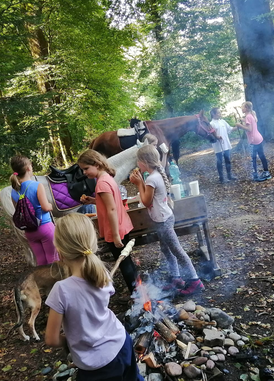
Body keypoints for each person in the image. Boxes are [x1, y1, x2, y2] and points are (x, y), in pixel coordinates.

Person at [44, 213, 144, 381]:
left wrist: (69, 340)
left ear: (60, 252)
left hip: (96, 367)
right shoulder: (101, 273)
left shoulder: (61, 290)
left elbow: (51, 339)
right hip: (121, 343)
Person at [129, 144, 205, 296]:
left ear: (144, 162)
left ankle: (195, 281)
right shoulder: (158, 172)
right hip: (165, 217)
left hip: (163, 221)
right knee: (166, 249)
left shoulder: (151, 179)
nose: (137, 164)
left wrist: (139, 184)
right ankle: (176, 278)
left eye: (138, 161)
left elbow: (146, 202)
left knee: (177, 250)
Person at [77, 149, 138, 295]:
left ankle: (136, 294)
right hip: (122, 225)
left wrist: (115, 235)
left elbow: (111, 209)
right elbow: (107, 203)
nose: (84, 172)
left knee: (124, 263)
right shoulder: (107, 178)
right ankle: (138, 291)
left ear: (97, 164)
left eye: (86, 168)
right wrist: (93, 201)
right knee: (126, 260)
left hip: (115, 229)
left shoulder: (101, 184)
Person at [10, 155, 59, 265]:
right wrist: (51, 205)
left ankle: (43, 281)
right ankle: (56, 281)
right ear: (28, 168)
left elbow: (19, 211)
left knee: (40, 260)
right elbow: (46, 207)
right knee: (53, 259)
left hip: (29, 231)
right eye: (31, 165)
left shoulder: (14, 191)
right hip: (45, 227)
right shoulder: (37, 185)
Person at [235, 101, 272, 182]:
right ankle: (267, 173)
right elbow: (250, 122)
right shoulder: (252, 114)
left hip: (253, 140)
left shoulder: (248, 116)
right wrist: (242, 119)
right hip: (258, 138)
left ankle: (255, 176)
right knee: (262, 156)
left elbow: (249, 129)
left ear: (247, 108)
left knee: (253, 159)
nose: (242, 108)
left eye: (243, 107)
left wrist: (239, 125)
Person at [210, 107, 237, 183]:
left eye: (220, 112)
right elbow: (211, 135)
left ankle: (229, 176)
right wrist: (217, 137)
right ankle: (221, 178)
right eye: (218, 112)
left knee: (227, 160)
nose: (220, 114)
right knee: (219, 161)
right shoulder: (211, 124)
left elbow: (230, 129)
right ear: (213, 114)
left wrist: (238, 126)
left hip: (226, 144)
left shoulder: (223, 121)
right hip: (218, 146)